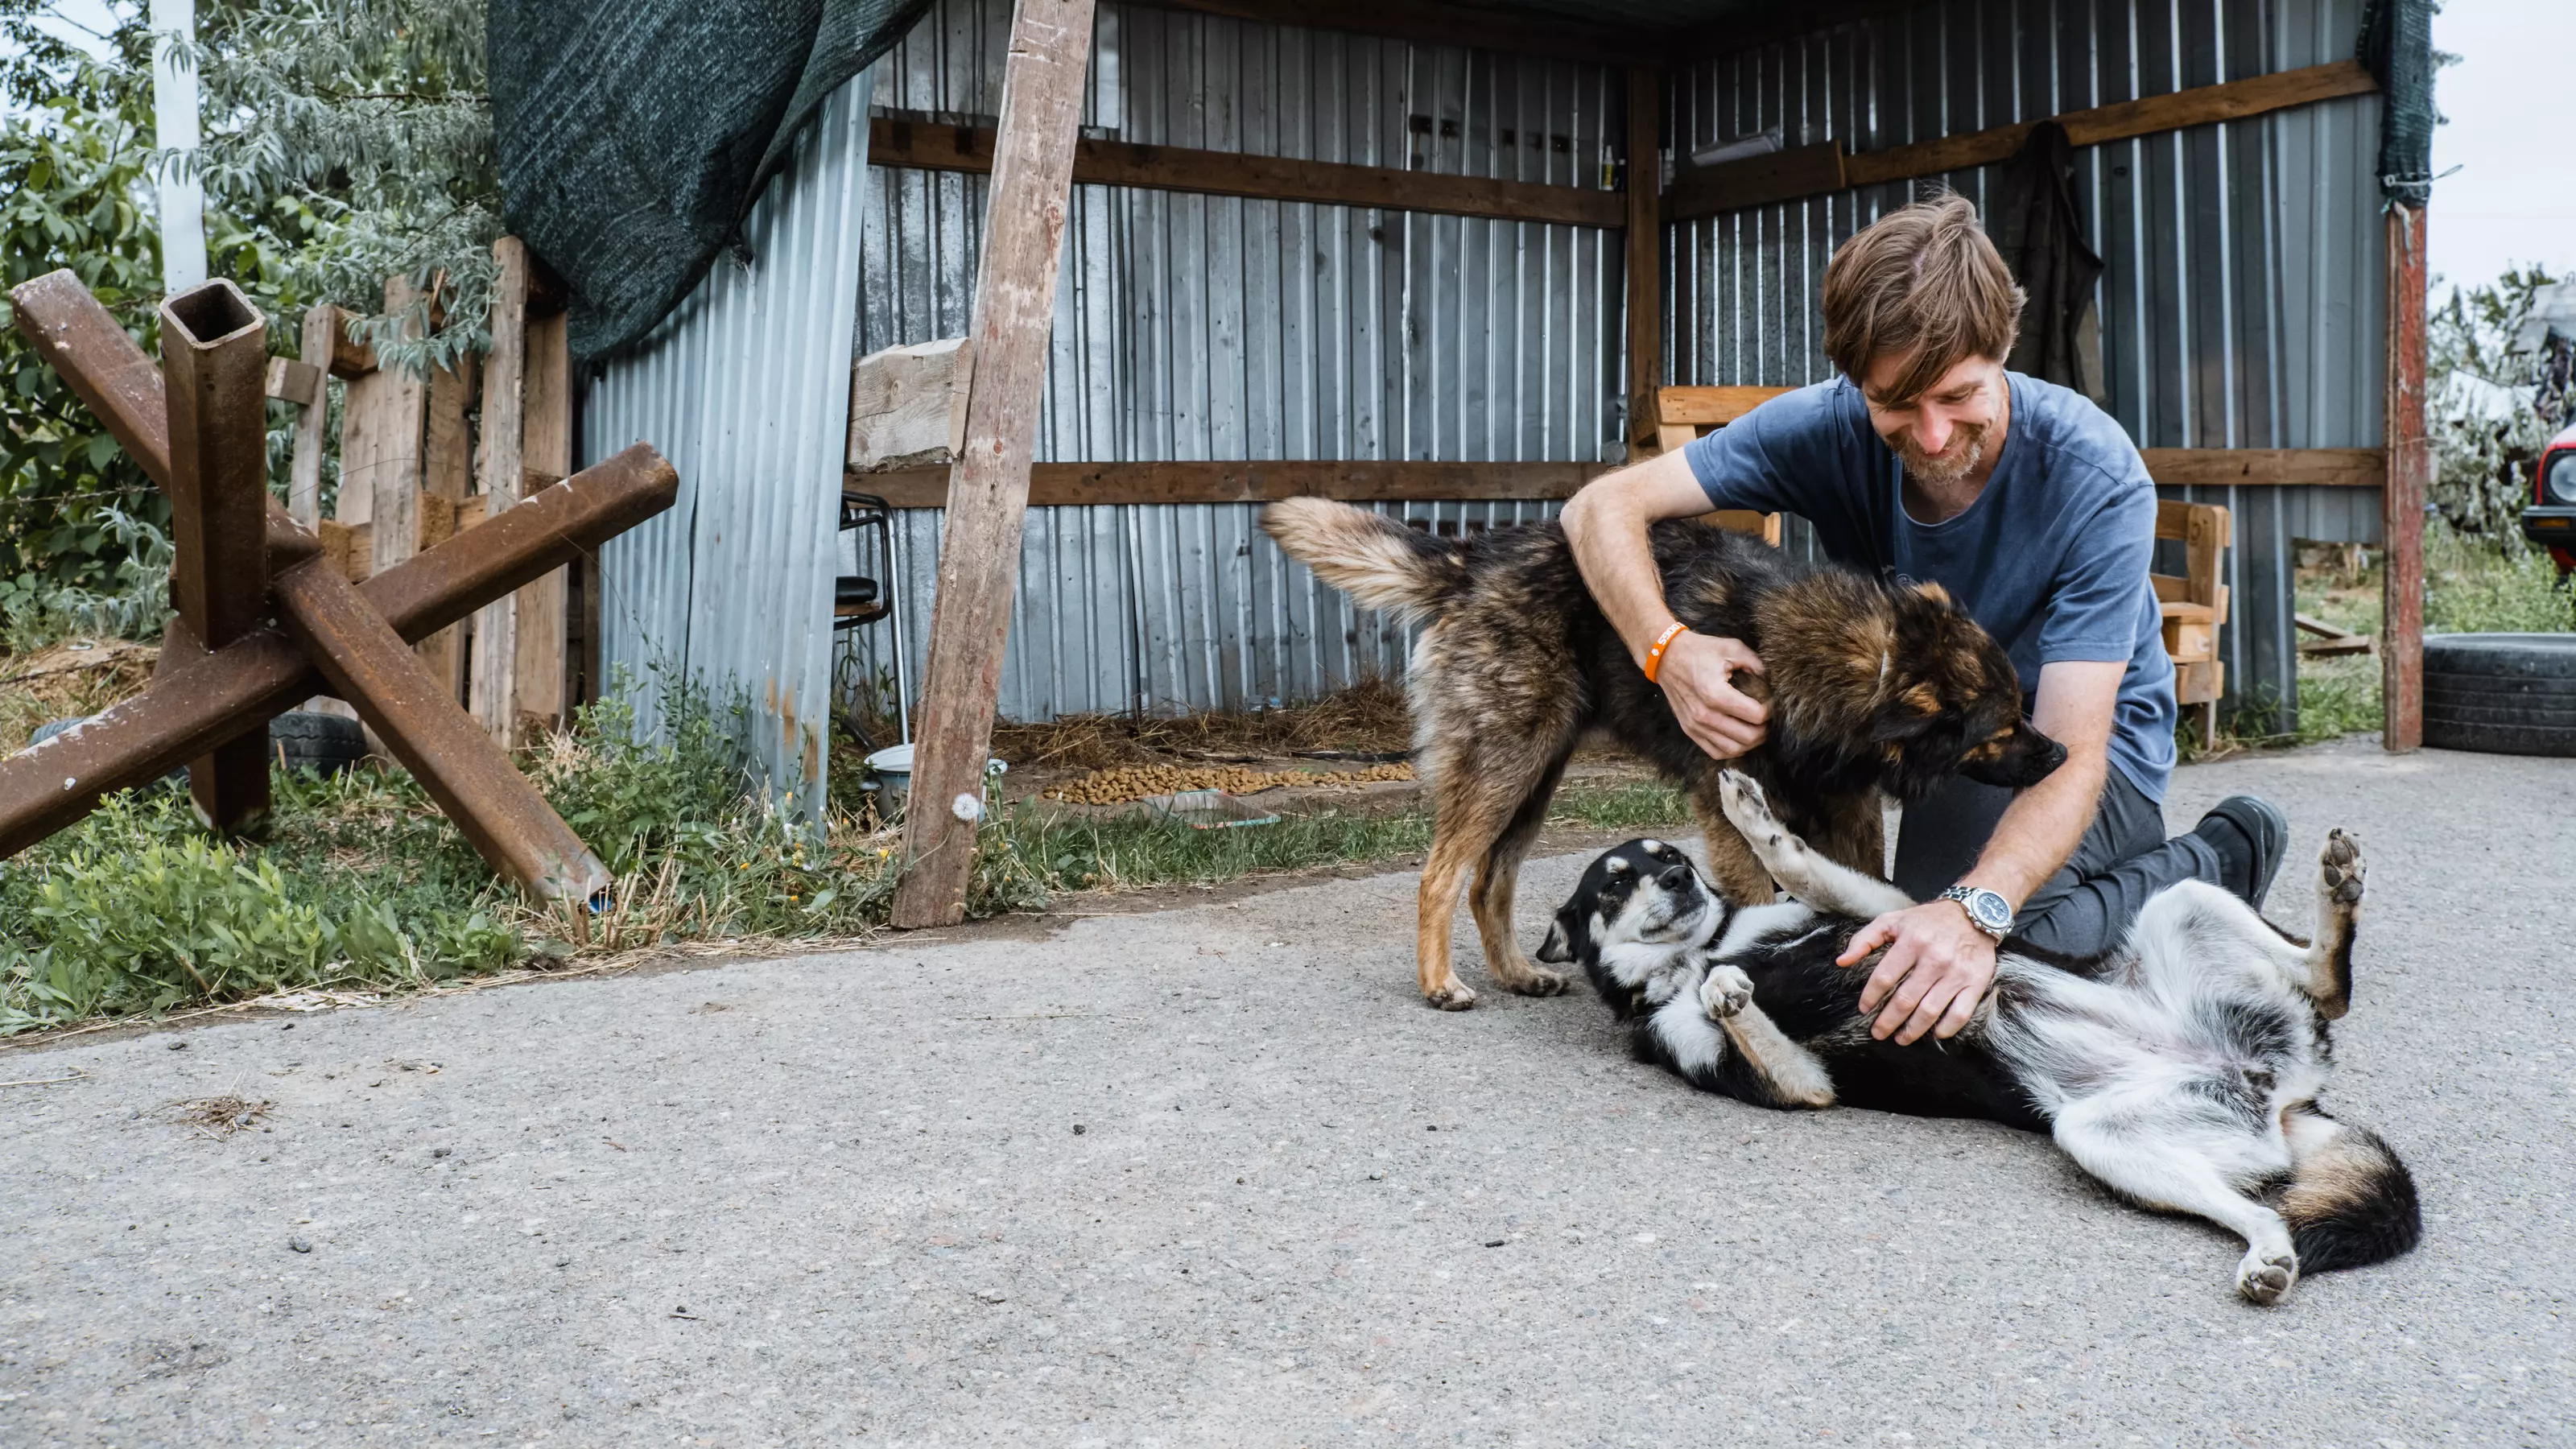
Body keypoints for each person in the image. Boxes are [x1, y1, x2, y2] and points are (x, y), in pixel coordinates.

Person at [1559, 195, 2288, 1049]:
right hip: (1949, 749)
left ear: (2002, 351)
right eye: (1894, 403)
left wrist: (1979, 911)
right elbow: (1598, 510)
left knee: (2012, 945)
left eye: (1957, 394)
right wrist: (1666, 649)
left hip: (2069, 745)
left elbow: (2073, 749)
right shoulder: (1826, 426)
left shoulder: (2093, 476)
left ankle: (2225, 850)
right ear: (1852, 380)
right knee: (1900, 956)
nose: (1933, 434)